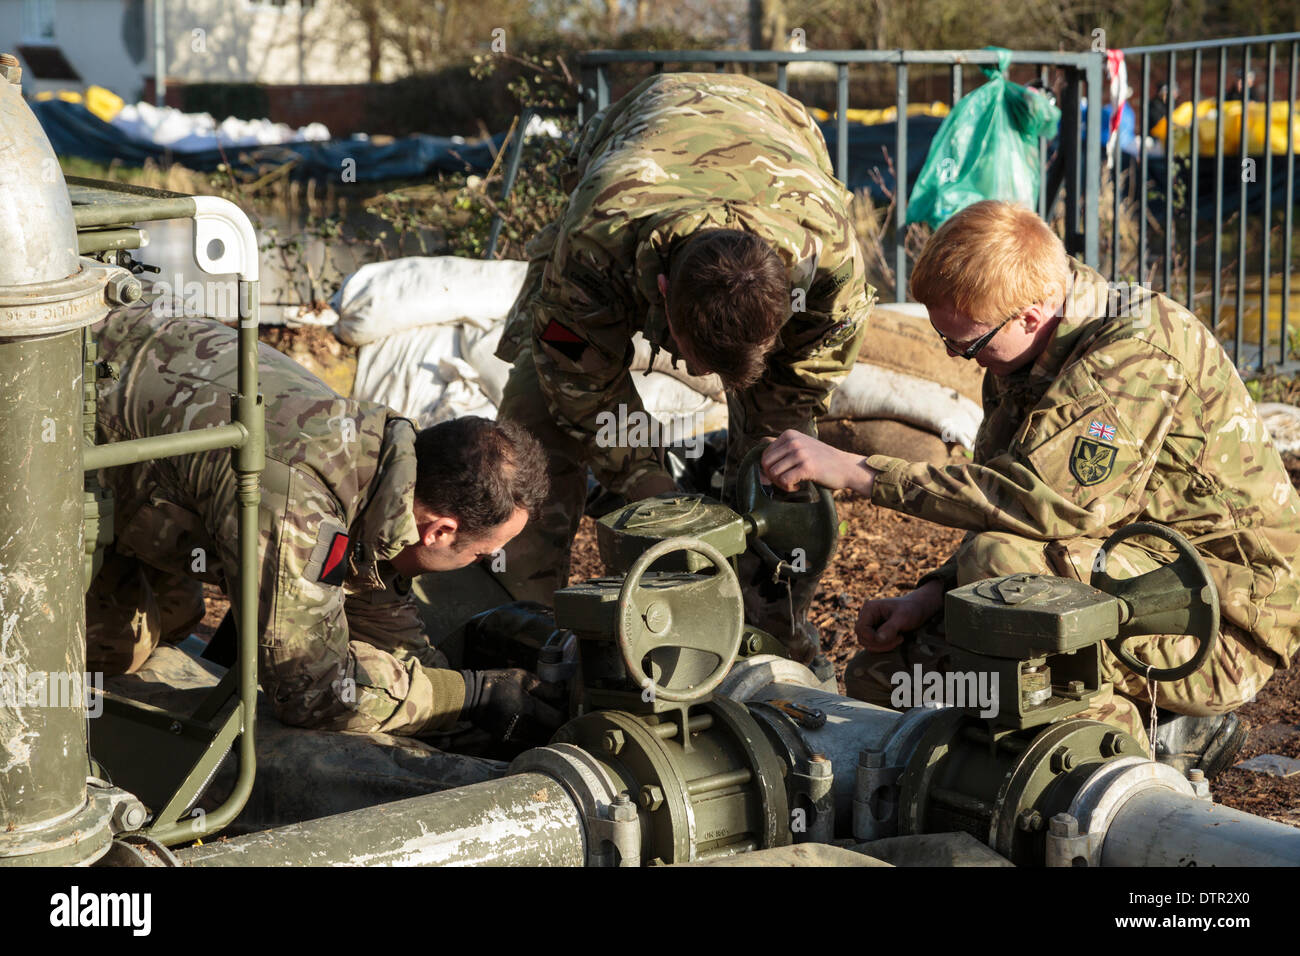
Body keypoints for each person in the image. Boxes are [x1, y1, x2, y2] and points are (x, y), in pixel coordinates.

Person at [760, 200, 1300, 773]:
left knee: (1001, 565)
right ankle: (1057, 735)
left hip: (1214, 621)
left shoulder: (1132, 356)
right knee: (887, 676)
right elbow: (1003, 506)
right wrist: (931, 595)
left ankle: (1131, 747)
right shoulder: (1018, 359)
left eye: (966, 345)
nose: (955, 357)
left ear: (1031, 312)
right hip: (1122, 568)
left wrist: (857, 471)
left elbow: (1036, 506)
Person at [493, 71, 875, 669]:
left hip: (775, 126)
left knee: (786, 465)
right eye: (696, 357)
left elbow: (799, 382)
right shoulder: (598, 235)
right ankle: (528, 639)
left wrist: (767, 460)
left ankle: (768, 635)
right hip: (641, 134)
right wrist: (649, 488)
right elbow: (579, 382)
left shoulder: (827, 261)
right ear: (662, 294)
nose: (707, 380)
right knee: (533, 423)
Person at [87, 305, 564, 744]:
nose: (481, 563)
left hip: (128, 404)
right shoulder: (300, 501)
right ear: (439, 530)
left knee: (174, 614)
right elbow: (312, 692)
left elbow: (377, 597)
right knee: (117, 649)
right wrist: (465, 696)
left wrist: (445, 687)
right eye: (480, 554)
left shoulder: (382, 458)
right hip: (54, 434)